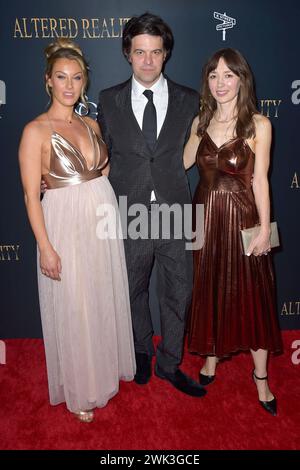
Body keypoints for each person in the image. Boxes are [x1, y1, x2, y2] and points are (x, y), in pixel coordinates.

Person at [19, 39, 136, 423]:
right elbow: (31, 196)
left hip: (100, 219)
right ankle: (81, 387)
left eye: (77, 78)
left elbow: (101, 170)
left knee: (100, 298)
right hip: (64, 223)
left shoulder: (90, 122)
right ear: (48, 81)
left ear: (84, 82)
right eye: (61, 77)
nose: (69, 85)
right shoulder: (35, 130)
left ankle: (102, 373)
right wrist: (46, 249)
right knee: (76, 304)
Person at [97, 13, 206, 397]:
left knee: (179, 291)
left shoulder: (189, 99)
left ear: (165, 54)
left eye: (155, 52)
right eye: (140, 52)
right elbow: (102, 156)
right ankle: (142, 352)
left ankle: (170, 363)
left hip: (176, 212)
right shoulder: (108, 99)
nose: (147, 61)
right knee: (130, 289)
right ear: (128, 53)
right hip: (130, 212)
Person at [184, 48, 282, 415]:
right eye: (213, 75)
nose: (220, 83)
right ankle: (210, 359)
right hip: (203, 217)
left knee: (253, 296)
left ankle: (261, 378)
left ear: (242, 79)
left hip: (243, 218)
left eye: (228, 75)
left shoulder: (259, 124)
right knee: (207, 287)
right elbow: (178, 163)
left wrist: (261, 230)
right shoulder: (200, 122)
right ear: (206, 82)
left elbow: (261, 181)